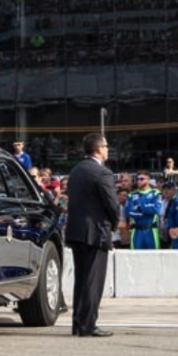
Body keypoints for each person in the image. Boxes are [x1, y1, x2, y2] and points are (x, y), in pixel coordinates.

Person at [65, 133, 118, 338]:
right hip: (95, 231)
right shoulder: (102, 173)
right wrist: (113, 224)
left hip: (77, 231)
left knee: (81, 279)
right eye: (105, 146)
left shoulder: (76, 170)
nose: (107, 149)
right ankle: (88, 325)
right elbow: (112, 205)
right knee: (93, 281)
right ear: (98, 149)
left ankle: (78, 323)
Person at [126, 170, 162, 249]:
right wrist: (146, 211)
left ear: (148, 180)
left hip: (151, 231)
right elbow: (129, 212)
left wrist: (140, 207)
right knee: (135, 257)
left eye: (142, 179)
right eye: (137, 179)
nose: (139, 181)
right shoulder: (131, 195)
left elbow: (156, 210)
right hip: (136, 231)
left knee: (153, 257)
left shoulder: (156, 193)